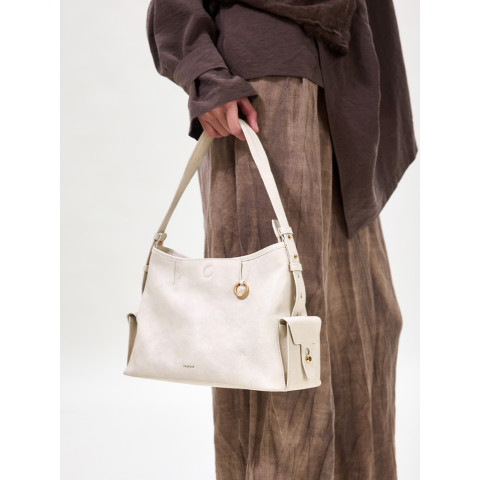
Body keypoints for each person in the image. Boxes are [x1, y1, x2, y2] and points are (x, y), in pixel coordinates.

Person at [147, 1, 418, 478]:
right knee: (275, 338)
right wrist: (207, 75)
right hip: (266, 90)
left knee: (367, 325)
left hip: (345, 82)